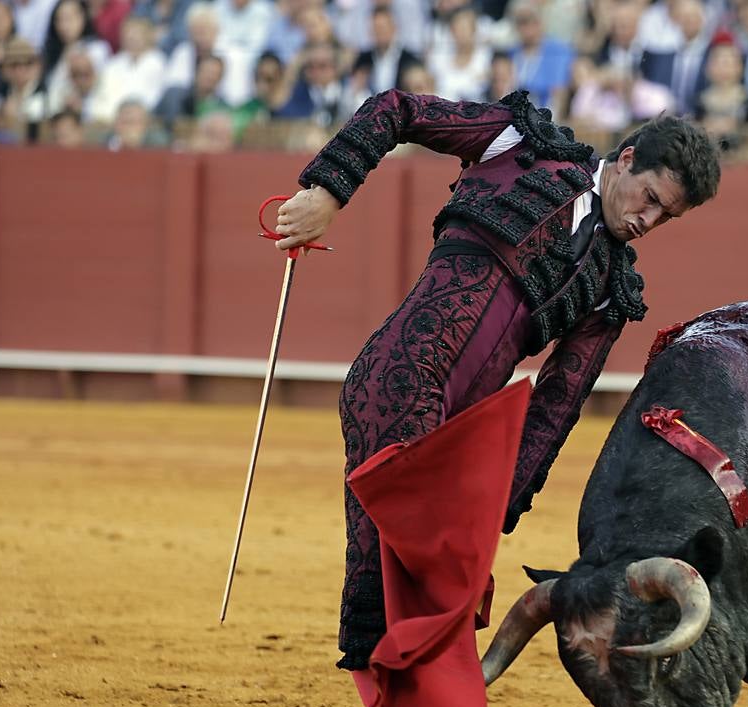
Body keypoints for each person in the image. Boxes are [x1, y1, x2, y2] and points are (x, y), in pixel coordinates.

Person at [270, 89, 721, 671]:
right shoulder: (522, 147)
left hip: (457, 439)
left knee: (425, 596)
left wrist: (496, 508)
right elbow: (396, 110)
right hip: (396, 385)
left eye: (666, 217)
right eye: (651, 199)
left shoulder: (611, 289)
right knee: (403, 593)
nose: (647, 221)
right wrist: (325, 193)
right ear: (629, 159)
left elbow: (555, 410)